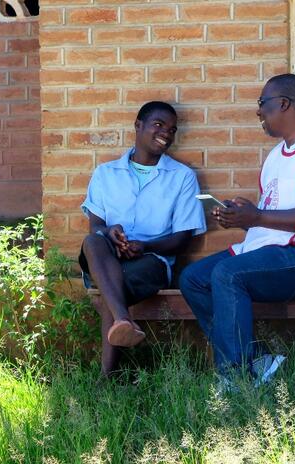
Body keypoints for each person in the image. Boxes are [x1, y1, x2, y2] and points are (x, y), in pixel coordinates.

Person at [178, 74, 295, 385]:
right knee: (193, 279)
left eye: (262, 104)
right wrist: (242, 214)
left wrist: (255, 218)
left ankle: (237, 380)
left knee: (228, 275)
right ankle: (257, 360)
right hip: (283, 248)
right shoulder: (279, 154)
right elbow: (274, 212)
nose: (258, 113)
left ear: (284, 103)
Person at [79, 101, 206, 377]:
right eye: (158, 125)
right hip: (106, 258)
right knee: (93, 242)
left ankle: (107, 377)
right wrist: (109, 234)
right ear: (138, 126)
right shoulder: (105, 173)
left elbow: (183, 237)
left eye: (172, 129)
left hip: (153, 261)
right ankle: (123, 321)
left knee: (111, 289)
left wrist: (145, 245)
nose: (166, 134)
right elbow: (96, 228)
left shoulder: (182, 177)